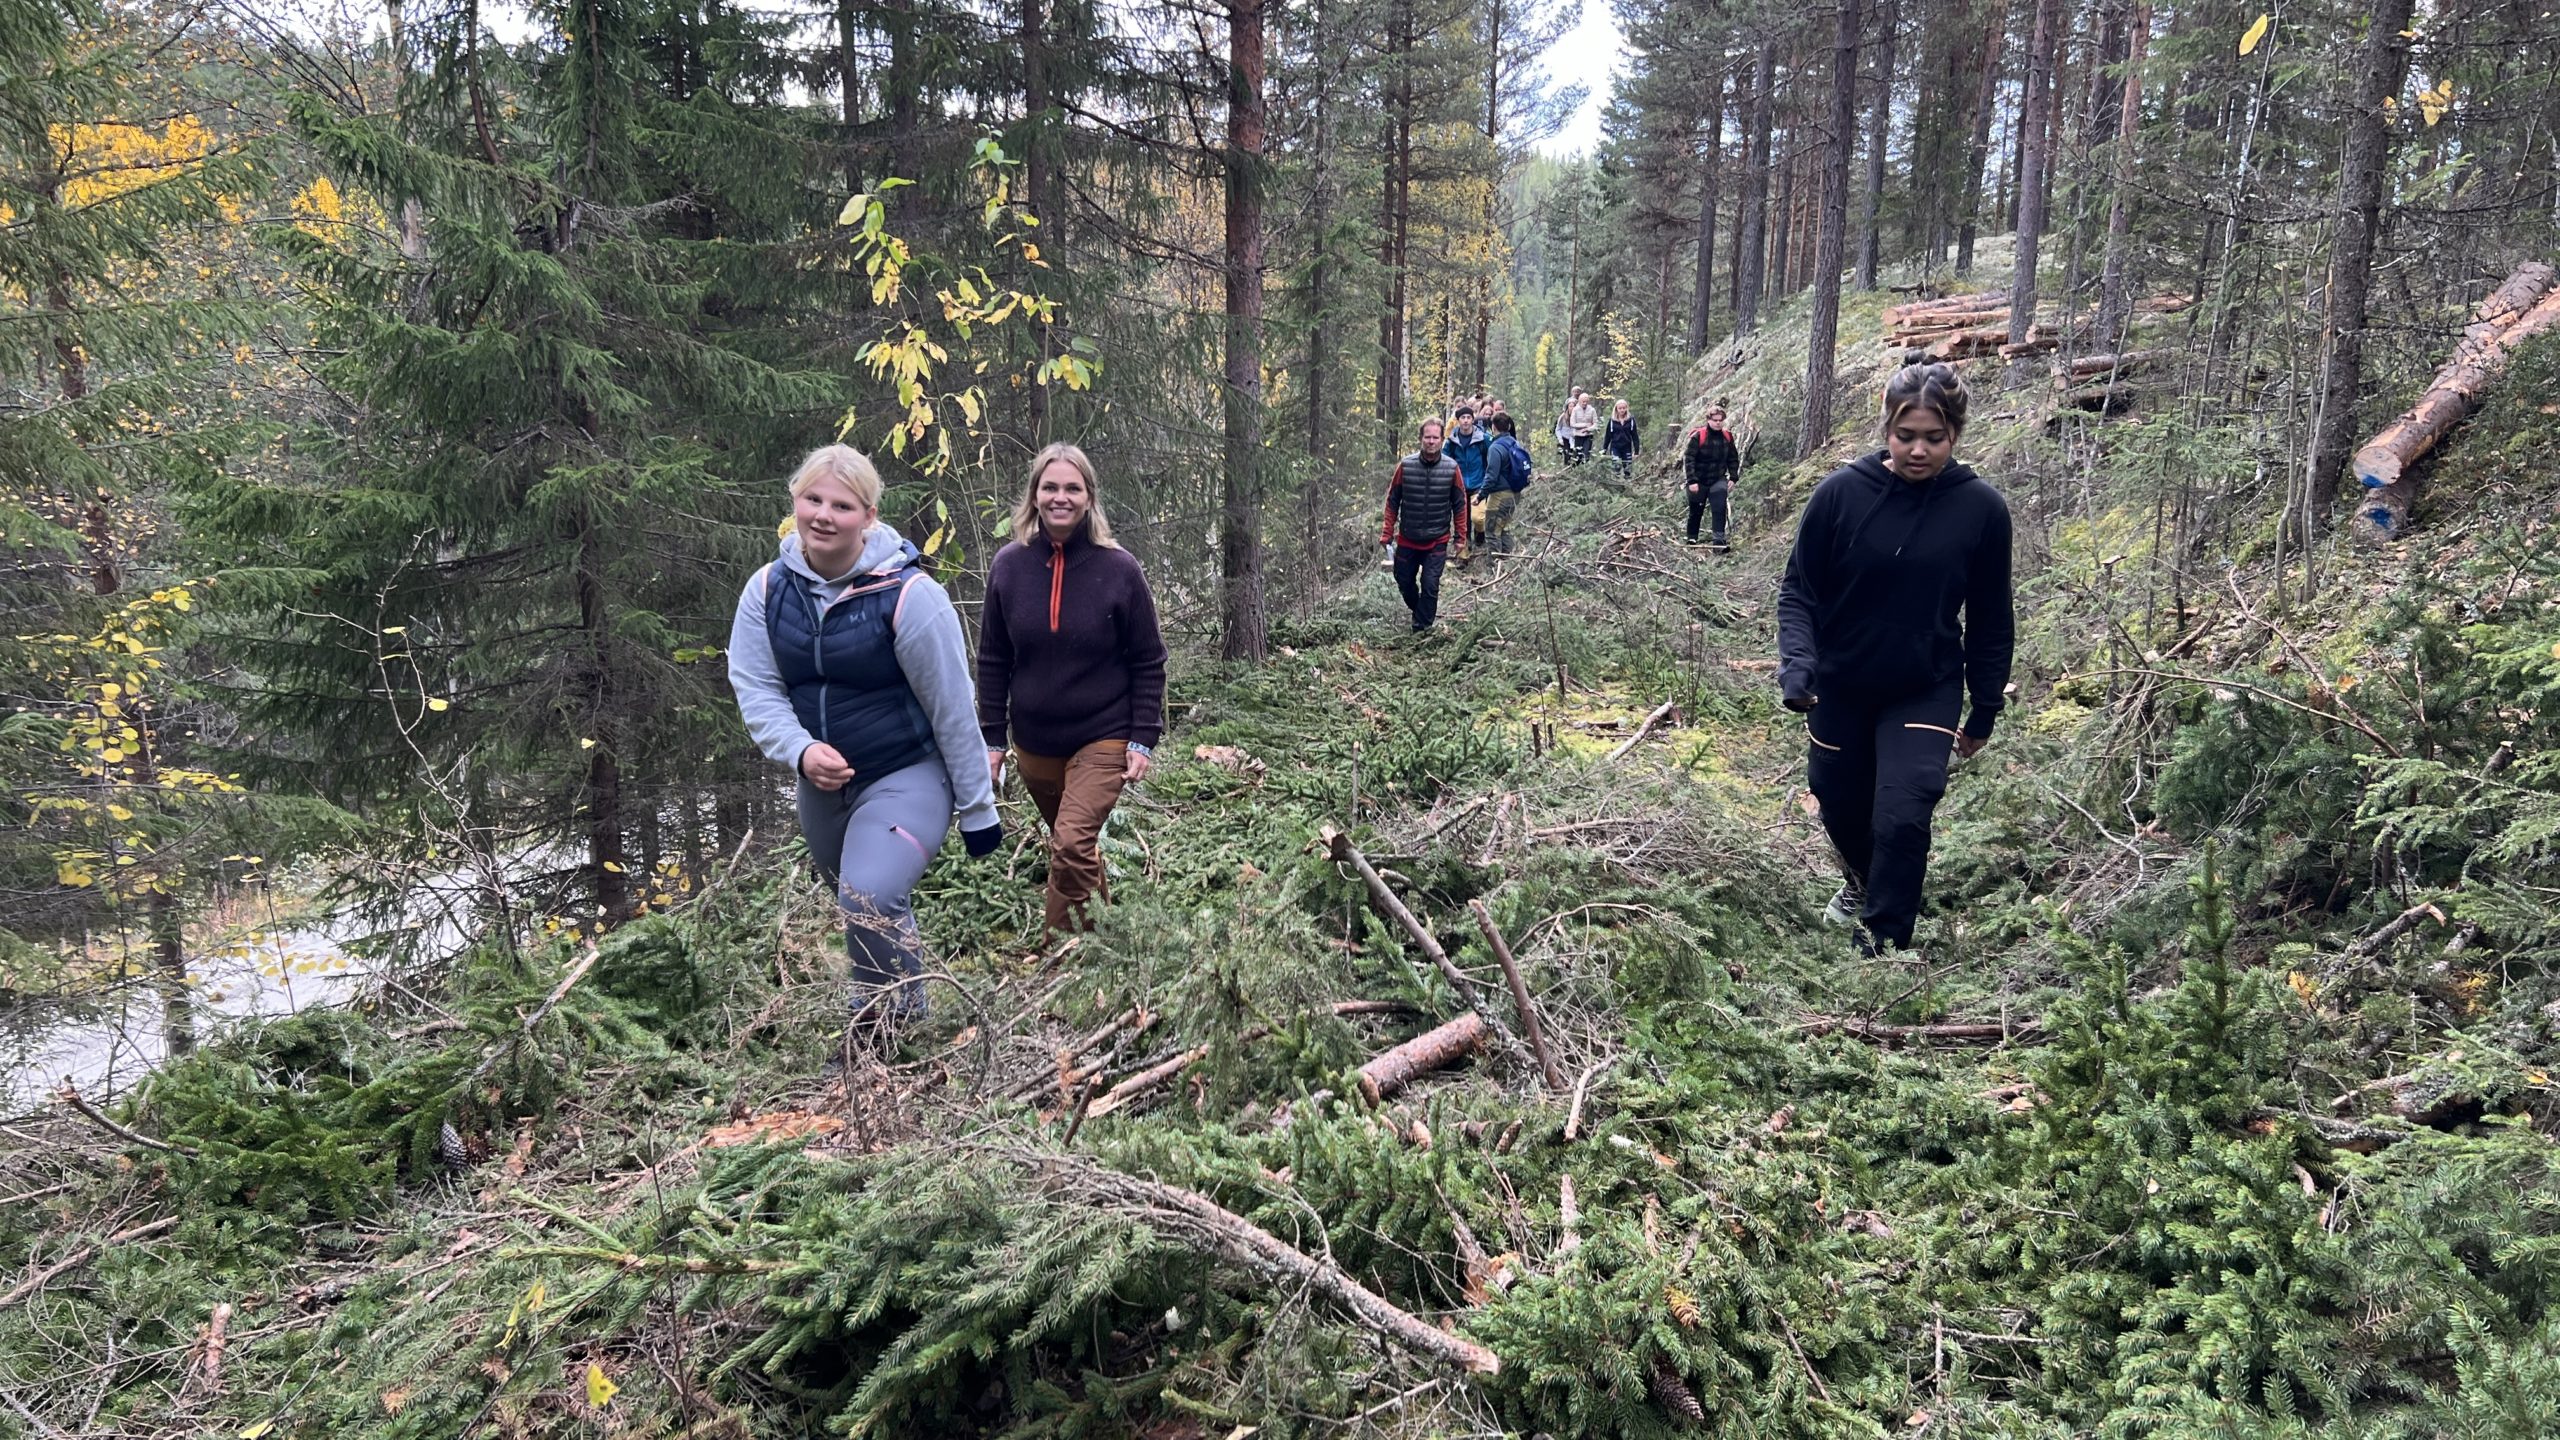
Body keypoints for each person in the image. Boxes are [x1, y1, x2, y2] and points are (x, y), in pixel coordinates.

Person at [729, 445, 1002, 1032]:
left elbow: (954, 708)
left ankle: (885, 1038)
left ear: (870, 515)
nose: (824, 515)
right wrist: (800, 752)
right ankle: (904, 1019)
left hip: (909, 774)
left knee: (870, 895)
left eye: (842, 505)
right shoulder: (767, 590)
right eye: (812, 499)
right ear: (795, 503)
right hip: (824, 786)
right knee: (859, 903)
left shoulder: (910, 596)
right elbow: (756, 686)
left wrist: (979, 810)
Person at [1777, 364, 2013, 958]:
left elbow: (1990, 617)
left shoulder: (1981, 511)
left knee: (1903, 814)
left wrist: (1984, 708)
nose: (1918, 449)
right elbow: (1799, 591)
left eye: (1933, 437)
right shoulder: (1840, 494)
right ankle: (1863, 881)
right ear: (1887, 427)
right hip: (1841, 684)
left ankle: (1882, 948)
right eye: (1906, 434)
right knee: (1838, 801)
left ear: (1954, 435)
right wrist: (1798, 665)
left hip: (1925, 683)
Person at [976, 443, 1167, 941]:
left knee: (1071, 841)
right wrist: (993, 740)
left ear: (1089, 498)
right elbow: (994, 660)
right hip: (1035, 741)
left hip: (1104, 732)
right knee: (1074, 846)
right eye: (1050, 487)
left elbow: (1148, 659)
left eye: (1072, 488)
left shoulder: (1119, 569)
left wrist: (1143, 735)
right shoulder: (1008, 566)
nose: (1061, 497)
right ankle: (1103, 930)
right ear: (1035, 496)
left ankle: (1062, 954)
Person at [1380, 417, 1469, 631]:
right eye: (1427, 437)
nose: (1431, 441)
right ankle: (1421, 612)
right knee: (1404, 582)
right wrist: (1387, 532)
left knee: (1430, 585)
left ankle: (1422, 628)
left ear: (1442, 439)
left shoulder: (1451, 468)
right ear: (1421, 439)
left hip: (1436, 540)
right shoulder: (1406, 465)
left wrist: (1460, 537)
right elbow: (1393, 500)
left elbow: (1459, 504)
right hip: (1408, 539)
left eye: (1435, 437)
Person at [1681, 402, 1742, 547]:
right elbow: (1689, 459)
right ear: (1709, 420)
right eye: (1715, 420)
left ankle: (1719, 541)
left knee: (1719, 506)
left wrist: (1733, 477)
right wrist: (1692, 481)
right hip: (1698, 479)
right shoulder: (1698, 437)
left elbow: (1733, 458)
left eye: (1720, 420)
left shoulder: (1727, 437)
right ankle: (1692, 538)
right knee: (1696, 510)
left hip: (1718, 479)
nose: (1718, 423)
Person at [1443, 405, 1493, 563]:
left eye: (1468, 418)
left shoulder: (1482, 438)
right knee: (1462, 522)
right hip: (1459, 486)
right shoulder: (1451, 440)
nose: (1465, 421)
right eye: (1462, 418)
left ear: (1473, 419)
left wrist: (1489, 477)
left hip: (1479, 483)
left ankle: (1480, 533)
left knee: (1478, 518)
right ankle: (1464, 555)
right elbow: (1444, 459)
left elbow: (1492, 456)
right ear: (1458, 421)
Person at [1481, 413, 1534, 556]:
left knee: (1492, 531)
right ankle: (1508, 563)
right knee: (1503, 529)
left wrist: (1480, 496)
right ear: (1509, 426)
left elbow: (1491, 476)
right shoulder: (1515, 442)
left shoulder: (1495, 448)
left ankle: (1493, 568)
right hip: (1515, 494)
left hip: (1499, 496)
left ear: (1493, 427)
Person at [1603, 398, 1639, 478]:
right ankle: (1617, 485)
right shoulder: (1612, 421)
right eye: (1620, 408)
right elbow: (1608, 436)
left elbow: (1635, 436)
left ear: (1626, 408)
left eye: (1624, 408)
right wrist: (1604, 450)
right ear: (1616, 409)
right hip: (1615, 447)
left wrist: (1636, 451)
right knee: (1616, 467)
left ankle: (1627, 484)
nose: (1622, 410)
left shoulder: (1631, 420)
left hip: (1627, 447)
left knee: (1627, 468)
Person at [1568, 389, 1599, 465]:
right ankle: (1576, 471)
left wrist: (1588, 429)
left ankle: (1585, 471)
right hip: (1578, 436)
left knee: (1586, 455)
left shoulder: (1592, 410)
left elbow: (1595, 424)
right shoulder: (1575, 410)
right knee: (1577, 456)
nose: (1585, 403)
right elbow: (1572, 423)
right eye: (1583, 401)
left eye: (1586, 401)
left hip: (1588, 435)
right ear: (1579, 401)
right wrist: (1584, 425)